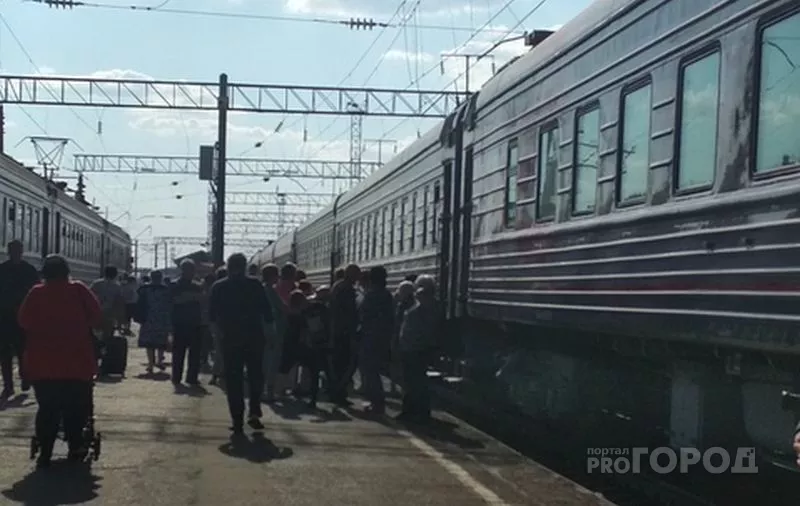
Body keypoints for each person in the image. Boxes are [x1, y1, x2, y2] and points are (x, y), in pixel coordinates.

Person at [18, 255, 102, 468]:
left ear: (44, 273)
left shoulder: (36, 293)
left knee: (47, 407)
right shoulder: (79, 290)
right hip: (77, 361)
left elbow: (23, 321)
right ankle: (75, 446)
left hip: (43, 363)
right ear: (67, 271)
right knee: (76, 407)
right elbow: (96, 316)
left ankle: (45, 450)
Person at [209, 253, 273, 435]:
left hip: (230, 339)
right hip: (254, 337)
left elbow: (212, 316)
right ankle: (254, 412)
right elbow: (267, 313)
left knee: (233, 379)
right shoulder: (255, 285)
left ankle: (237, 419)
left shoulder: (219, 286)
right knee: (255, 376)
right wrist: (270, 335)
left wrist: (217, 337)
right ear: (245, 266)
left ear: (228, 267)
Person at [396, 275, 439, 423]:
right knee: (415, 381)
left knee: (412, 382)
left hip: (414, 349)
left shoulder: (423, 309)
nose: (417, 294)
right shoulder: (427, 307)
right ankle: (417, 411)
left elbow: (421, 330)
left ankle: (411, 412)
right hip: (414, 348)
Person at [0, 239, 39, 397]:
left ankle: (21, 378)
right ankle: (10, 384)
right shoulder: (28, 270)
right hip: (9, 315)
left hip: (18, 315)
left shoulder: (4, 269)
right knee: (12, 351)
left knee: (17, 350)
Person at [358, 266, 394, 415]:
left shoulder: (372, 295)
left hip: (370, 337)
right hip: (383, 336)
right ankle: (377, 402)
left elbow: (363, 314)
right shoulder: (387, 295)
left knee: (370, 370)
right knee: (376, 370)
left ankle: (377, 403)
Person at [328, 263, 360, 406]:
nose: (358, 277)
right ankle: (338, 393)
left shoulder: (338, 286)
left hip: (337, 330)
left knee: (339, 364)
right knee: (345, 364)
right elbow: (349, 313)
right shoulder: (346, 289)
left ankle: (336, 392)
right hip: (344, 331)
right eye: (357, 274)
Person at [170, 260, 205, 386]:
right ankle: (177, 377)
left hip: (194, 322)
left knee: (193, 353)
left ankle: (190, 377)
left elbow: (202, 300)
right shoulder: (175, 285)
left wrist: (187, 297)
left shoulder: (197, 286)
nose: (191, 272)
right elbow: (174, 300)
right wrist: (192, 297)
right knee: (179, 352)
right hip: (181, 322)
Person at [135, 270, 171, 373]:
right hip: (162, 318)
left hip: (148, 318)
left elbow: (138, 303)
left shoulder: (144, 289)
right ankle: (159, 361)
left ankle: (151, 363)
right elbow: (170, 304)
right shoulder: (166, 290)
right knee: (161, 341)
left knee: (149, 343)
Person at [261, 264, 287, 402]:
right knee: (271, 362)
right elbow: (282, 307)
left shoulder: (263, 289)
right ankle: (269, 392)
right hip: (272, 330)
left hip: (265, 330)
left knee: (265, 361)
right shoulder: (270, 291)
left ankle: (264, 391)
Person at [391, 281, 416, 394]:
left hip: (401, 339)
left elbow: (397, 323)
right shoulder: (415, 305)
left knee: (398, 365)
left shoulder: (402, 306)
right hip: (411, 342)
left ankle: (399, 388)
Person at [90, 266, 124, 344]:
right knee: (108, 336)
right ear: (115, 274)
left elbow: (89, 296)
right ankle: (105, 347)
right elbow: (119, 303)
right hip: (109, 314)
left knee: (94, 333)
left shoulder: (96, 283)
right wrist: (120, 321)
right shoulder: (117, 287)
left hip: (95, 312)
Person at [209, 266, 228, 386]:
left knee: (218, 350)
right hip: (229, 323)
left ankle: (215, 375)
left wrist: (212, 322)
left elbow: (211, 307)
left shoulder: (215, 287)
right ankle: (223, 372)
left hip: (217, 322)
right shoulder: (231, 288)